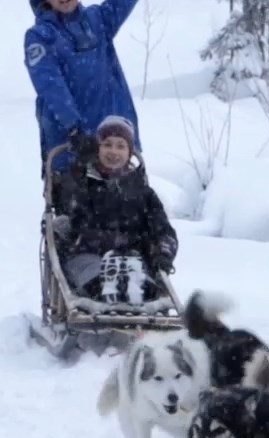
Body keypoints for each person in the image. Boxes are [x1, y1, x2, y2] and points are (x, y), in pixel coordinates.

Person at [25, 0, 158, 174]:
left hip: (115, 134)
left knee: (130, 204)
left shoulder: (99, 20)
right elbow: (50, 85)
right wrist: (74, 128)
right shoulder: (40, 36)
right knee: (77, 208)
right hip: (70, 141)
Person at [53, 116, 178, 306]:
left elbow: (163, 230)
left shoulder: (143, 193)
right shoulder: (82, 184)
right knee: (104, 284)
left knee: (143, 288)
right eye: (107, 144)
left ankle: (140, 315)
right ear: (98, 148)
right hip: (88, 256)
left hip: (134, 259)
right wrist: (79, 168)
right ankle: (114, 305)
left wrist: (163, 253)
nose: (113, 151)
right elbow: (73, 215)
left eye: (120, 146)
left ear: (129, 152)